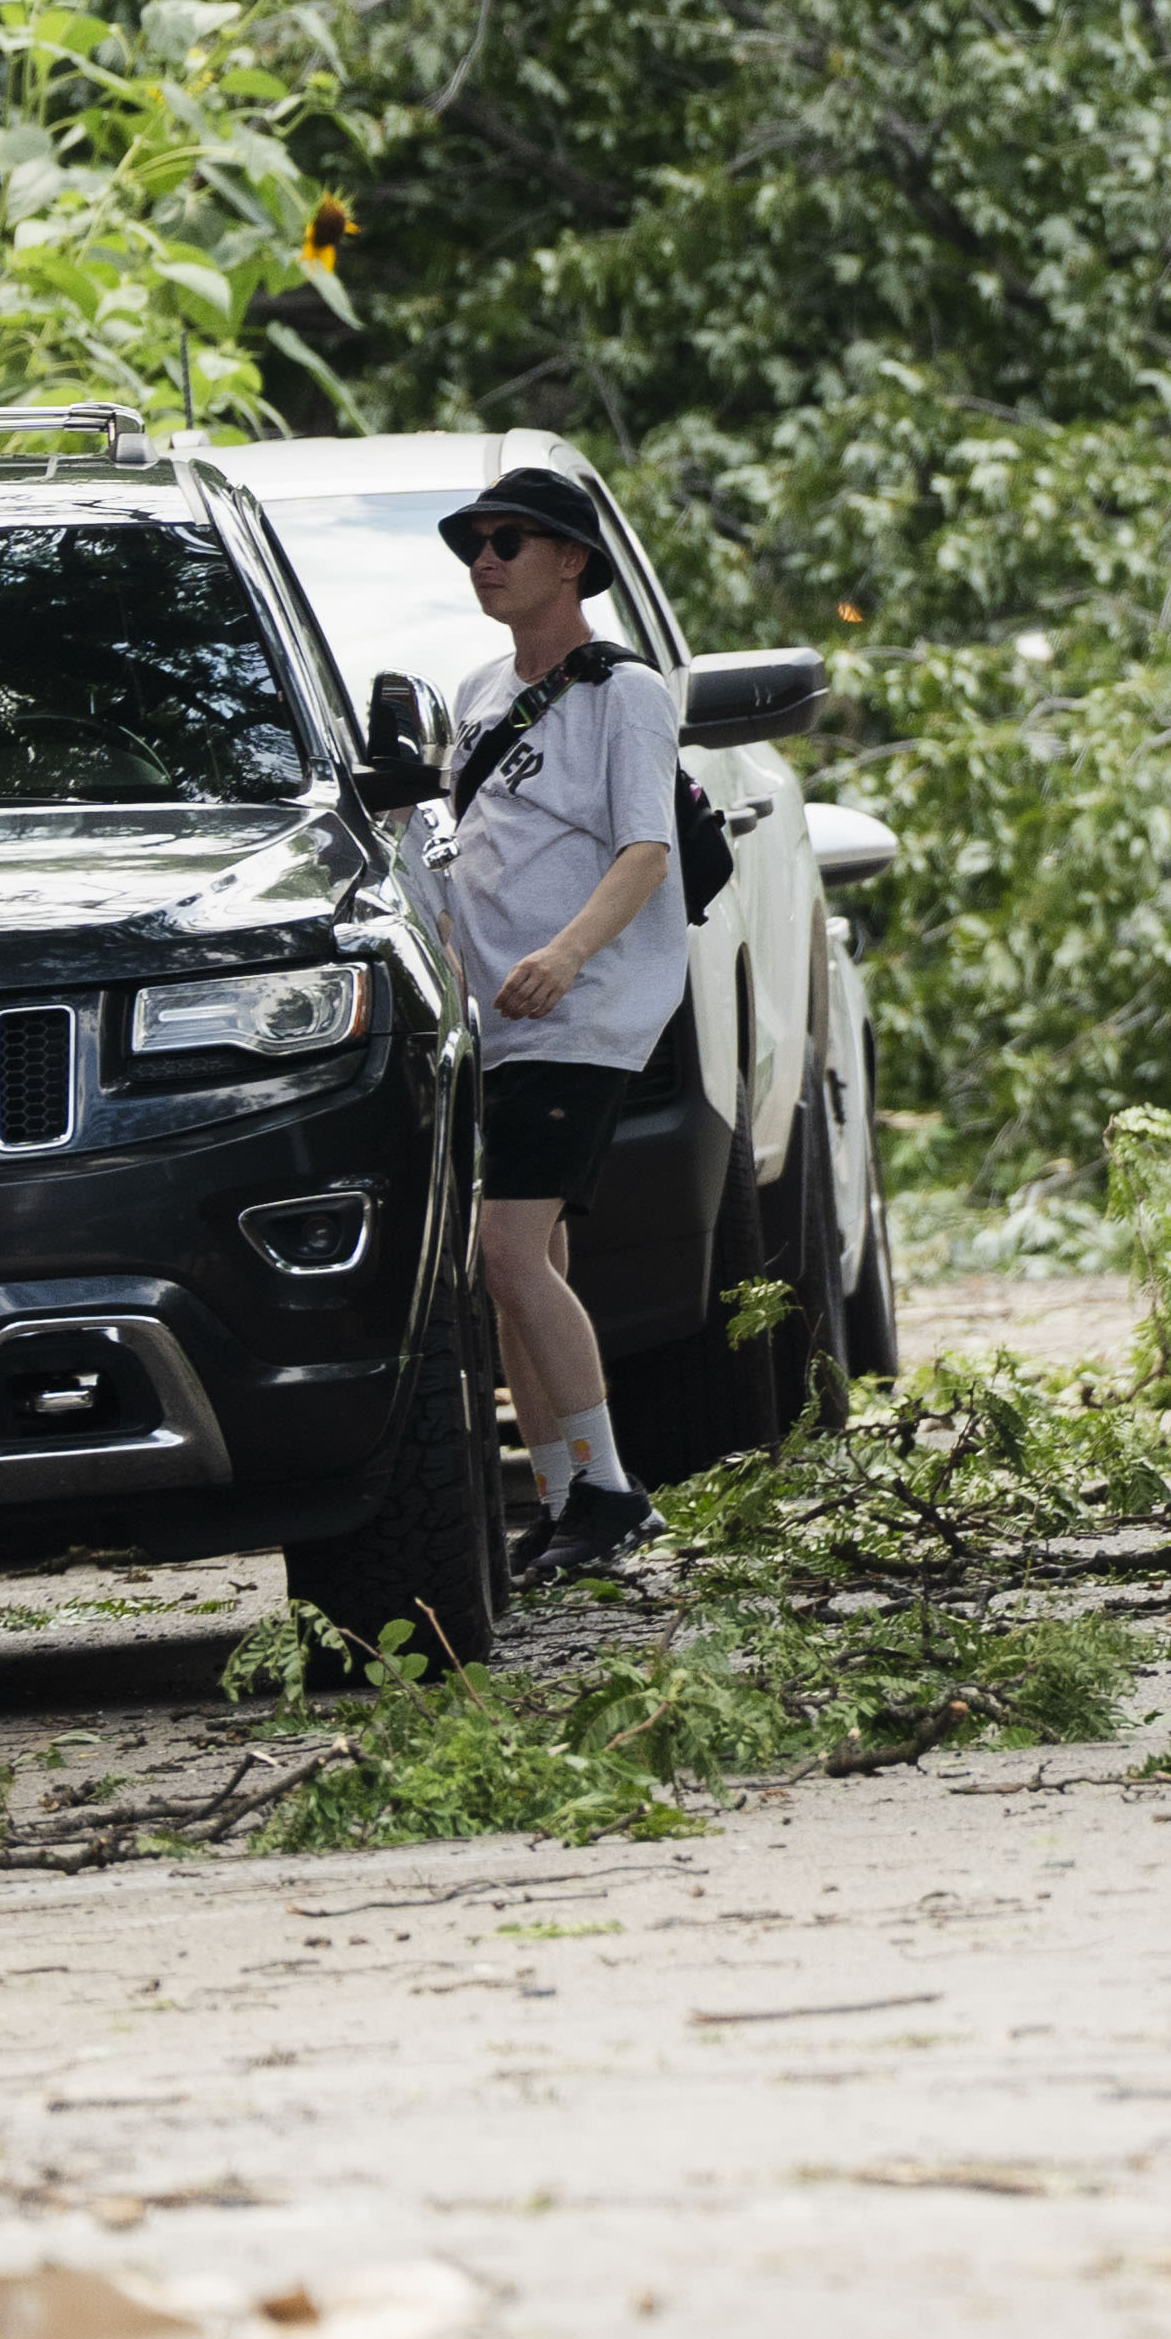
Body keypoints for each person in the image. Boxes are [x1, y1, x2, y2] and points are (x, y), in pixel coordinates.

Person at [435, 464, 688, 1586]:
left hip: (578, 1013)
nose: (485, 560)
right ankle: (558, 1498)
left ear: (570, 560)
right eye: (474, 544)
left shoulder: (621, 693)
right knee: (524, 1261)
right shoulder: (479, 693)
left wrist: (567, 954)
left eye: (509, 541)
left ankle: (611, 1492)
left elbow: (646, 850)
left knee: (504, 1248)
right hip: (490, 1022)